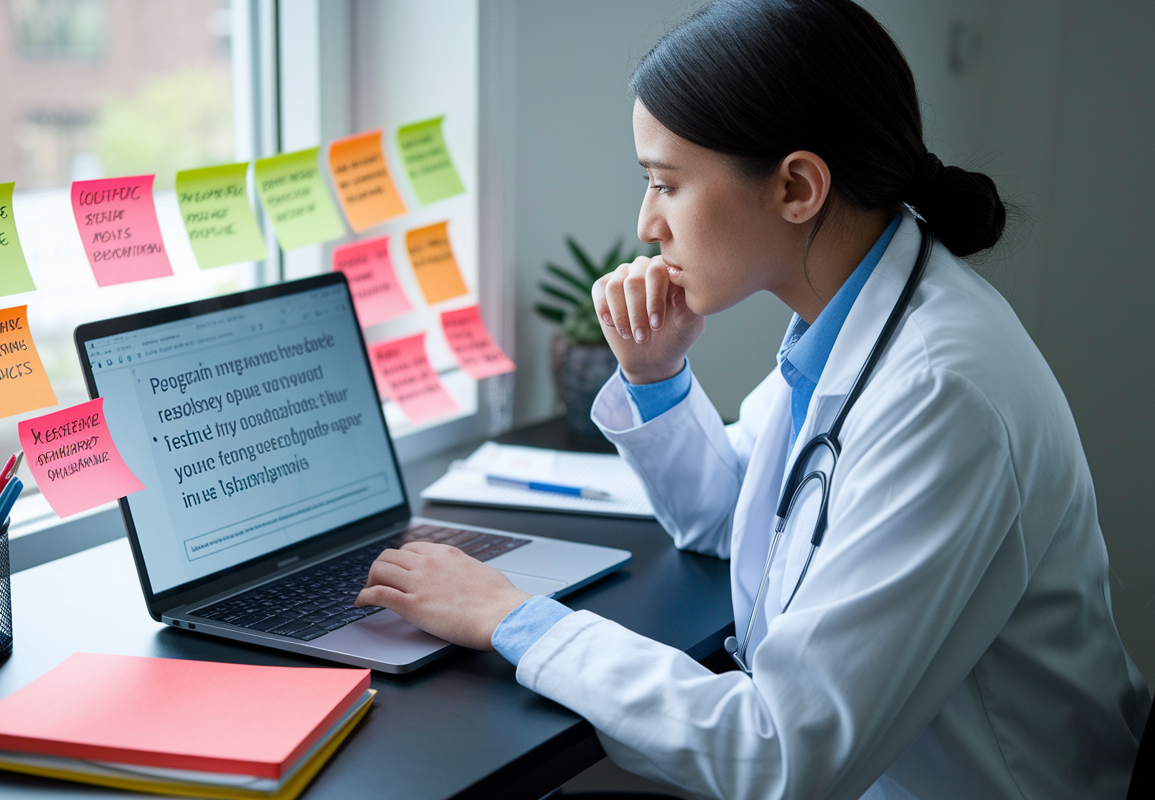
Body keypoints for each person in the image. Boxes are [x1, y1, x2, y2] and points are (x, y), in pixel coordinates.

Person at [355, 0, 1151, 796]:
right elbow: (732, 521)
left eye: (665, 185)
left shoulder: (942, 393)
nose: (646, 225)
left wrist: (512, 618)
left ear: (798, 187)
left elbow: (781, 754)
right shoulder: (850, 323)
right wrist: (657, 376)